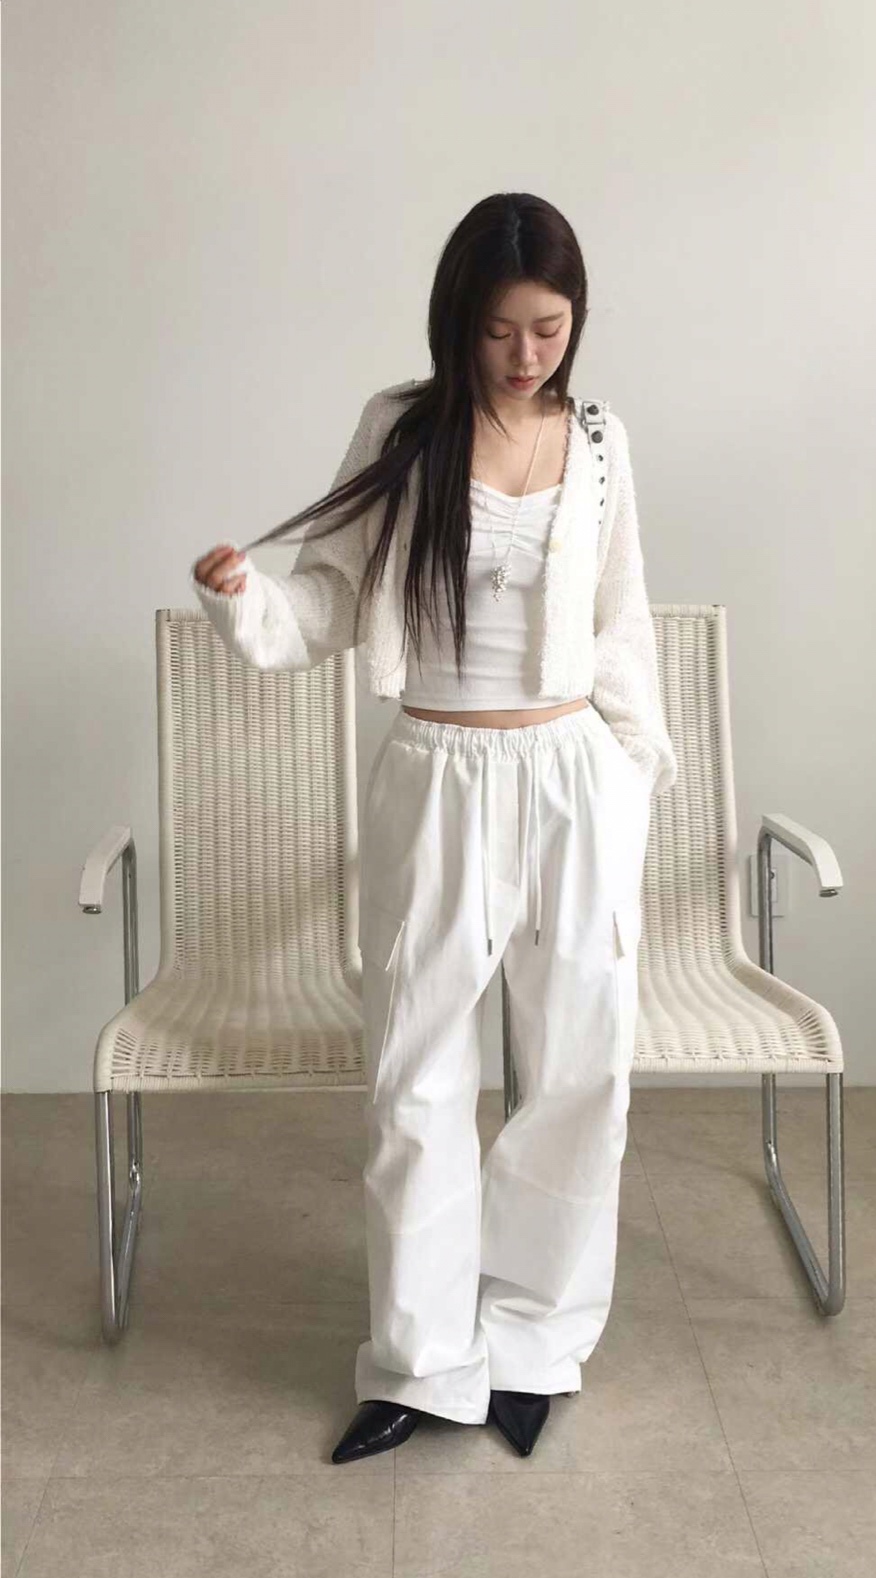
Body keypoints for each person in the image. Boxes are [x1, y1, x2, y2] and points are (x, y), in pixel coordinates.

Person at [190, 192, 677, 1465]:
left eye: (548, 329)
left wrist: (630, 778)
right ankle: (418, 1359)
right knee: (416, 1073)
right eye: (501, 330)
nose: (526, 355)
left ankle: (534, 1341)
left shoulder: (602, 441)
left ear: (575, 320)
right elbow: (332, 594)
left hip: (570, 774)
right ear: (459, 320)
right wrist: (248, 603)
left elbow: (622, 619)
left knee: (577, 1072)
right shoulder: (403, 429)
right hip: (438, 773)